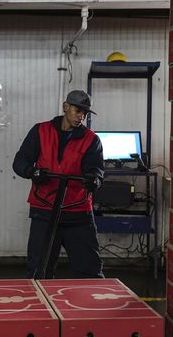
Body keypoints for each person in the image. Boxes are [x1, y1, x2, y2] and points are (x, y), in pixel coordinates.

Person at [12, 89, 105, 279]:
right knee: (39, 270)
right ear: (65, 107)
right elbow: (20, 162)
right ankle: (40, 307)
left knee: (89, 271)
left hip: (77, 212)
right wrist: (32, 172)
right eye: (78, 110)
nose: (81, 116)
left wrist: (94, 179)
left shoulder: (91, 140)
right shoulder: (40, 131)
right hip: (44, 210)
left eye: (85, 113)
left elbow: (96, 168)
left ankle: (90, 307)